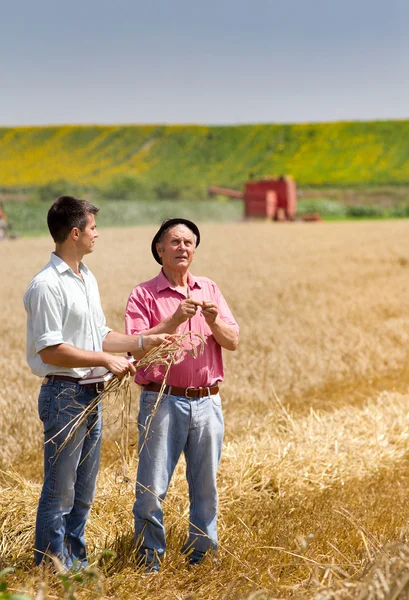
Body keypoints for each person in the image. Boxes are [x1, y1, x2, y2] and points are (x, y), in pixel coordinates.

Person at [23, 196, 170, 570]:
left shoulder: (86, 277)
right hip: (64, 395)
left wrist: (141, 342)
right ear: (75, 233)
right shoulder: (46, 285)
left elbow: (98, 335)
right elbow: (52, 351)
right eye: (92, 228)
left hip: (91, 395)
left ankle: (75, 563)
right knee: (60, 492)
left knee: (84, 492)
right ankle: (52, 568)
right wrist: (106, 360)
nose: (96, 234)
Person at [125, 218, 239, 571]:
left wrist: (214, 320)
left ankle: (202, 557)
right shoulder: (143, 294)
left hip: (207, 401)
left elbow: (232, 341)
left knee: (205, 488)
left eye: (188, 242)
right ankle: (149, 561)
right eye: (174, 242)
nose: (182, 248)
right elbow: (136, 349)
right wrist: (174, 320)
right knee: (151, 488)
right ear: (159, 249)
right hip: (162, 401)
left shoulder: (210, 289)